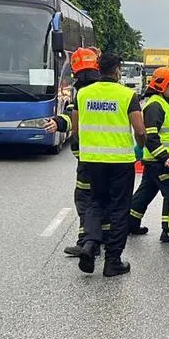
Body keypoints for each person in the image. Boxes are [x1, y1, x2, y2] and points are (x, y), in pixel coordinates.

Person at [44, 53, 145, 277]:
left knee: (94, 202)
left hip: (91, 160)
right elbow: (139, 130)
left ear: (99, 69)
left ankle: (89, 244)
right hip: (120, 162)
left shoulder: (83, 94)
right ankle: (113, 261)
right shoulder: (127, 94)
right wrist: (140, 147)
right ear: (117, 71)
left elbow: (76, 128)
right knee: (119, 209)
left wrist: (88, 147)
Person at [129, 66, 169, 243]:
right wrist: (165, 158)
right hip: (160, 161)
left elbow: (164, 135)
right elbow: (151, 136)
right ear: (162, 85)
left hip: (156, 160)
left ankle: (130, 223)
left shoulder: (161, 103)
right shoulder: (156, 105)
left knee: (145, 193)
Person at [60, 48, 110, 258]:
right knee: (103, 198)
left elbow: (73, 121)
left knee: (85, 199)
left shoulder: (82, 93)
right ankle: (103, 237)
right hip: (112, 157)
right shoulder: (110, 90)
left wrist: (57, 122)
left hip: (88, 157)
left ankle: (87, 242)